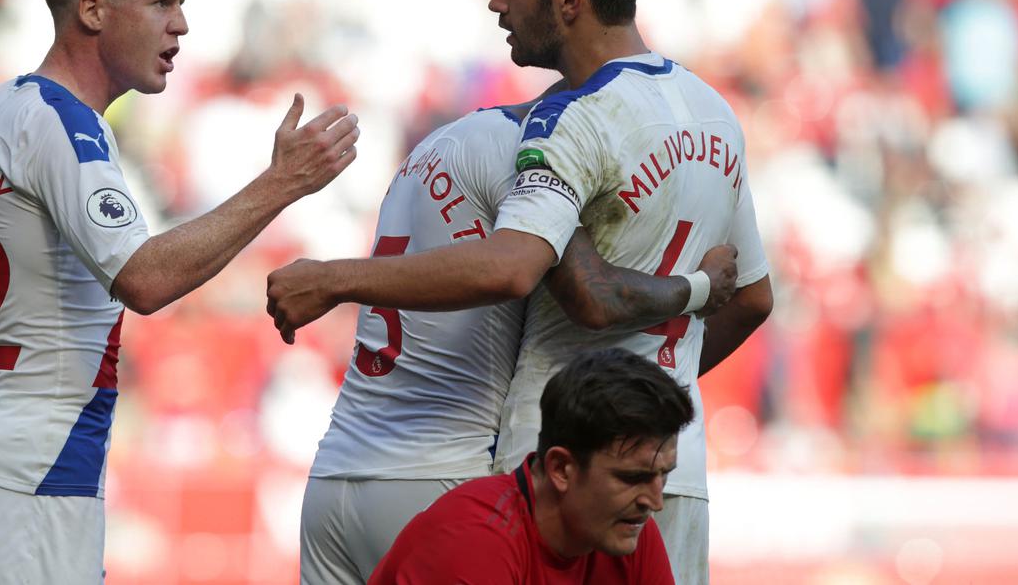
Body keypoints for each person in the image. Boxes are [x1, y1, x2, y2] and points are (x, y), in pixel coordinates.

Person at [267, 0, 772, 584]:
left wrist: (328, 279)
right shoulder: (716, 115)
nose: (496, 3)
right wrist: (663, 390)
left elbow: (517, 270)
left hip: (568, 482)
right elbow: (752, 299)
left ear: (567, 0)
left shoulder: (568, 119)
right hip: (670, 472)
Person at [0, 0, 358, 583]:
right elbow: (143, 280)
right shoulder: (65, 124)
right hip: (28, 462)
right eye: (160, 3)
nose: (180, 25)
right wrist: (281, 184)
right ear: (91, 10)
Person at [299, 91, 738, 585]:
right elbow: (590, 293)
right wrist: (699, 287)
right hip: (438, 469)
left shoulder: (437, 145)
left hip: (337, 469)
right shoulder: (538, 155)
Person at [368, 347, 691, 584]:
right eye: (633, 477)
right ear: (561, 469)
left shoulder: (627, 528)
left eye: (663, 476)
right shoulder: (476, 541)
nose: (655, 501)